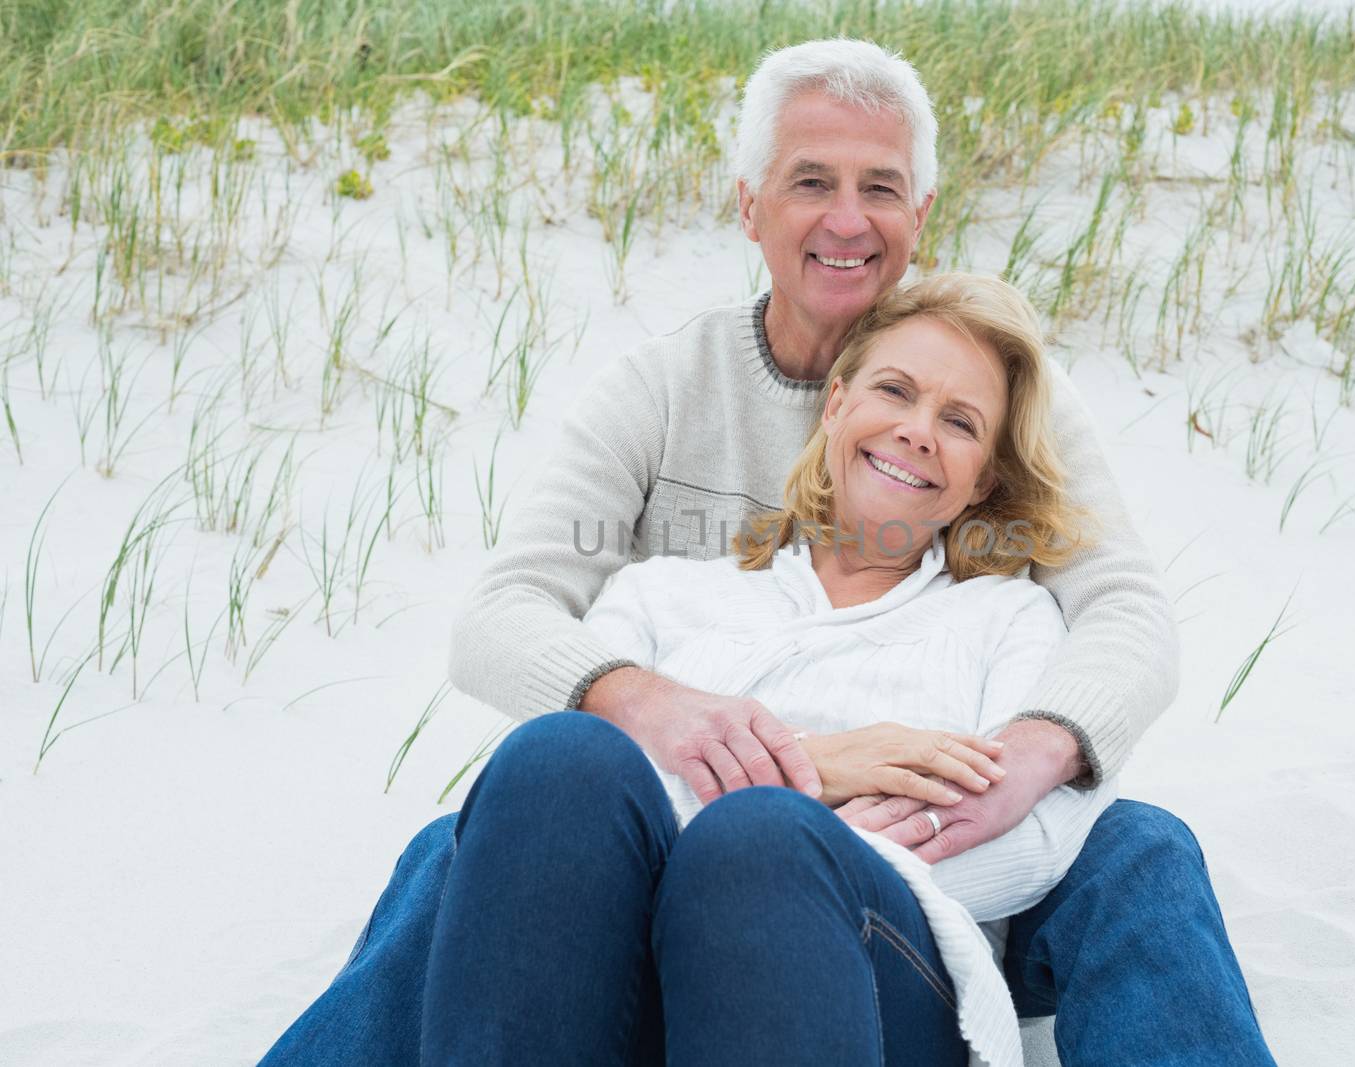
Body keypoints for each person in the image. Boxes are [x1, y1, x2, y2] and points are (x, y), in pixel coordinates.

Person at [262, 39, 1275, 1067]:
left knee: (1135, 843)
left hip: (894, 885)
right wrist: (686, 717)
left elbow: (1126, 613)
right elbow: (502, 614)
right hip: (657, 836)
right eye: (810, 182)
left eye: (879, 186)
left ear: (918, 214)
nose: (847, 218)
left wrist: (1035, 751)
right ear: (750, 206)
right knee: (501, 818)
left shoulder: (1013, 419)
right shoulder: (663, 407)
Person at [418, 273, 1112, 1065]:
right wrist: (817, 767)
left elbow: (1037, 836)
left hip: (878, 984)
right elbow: (558, 826)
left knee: (762, 841)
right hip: (616, 979)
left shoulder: (1007, 617)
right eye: (895, 390)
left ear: (983, 479)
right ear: (837, 404)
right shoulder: (665, 592)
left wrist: (808, 846)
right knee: (557, 755)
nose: (920, 431)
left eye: (959, 421)